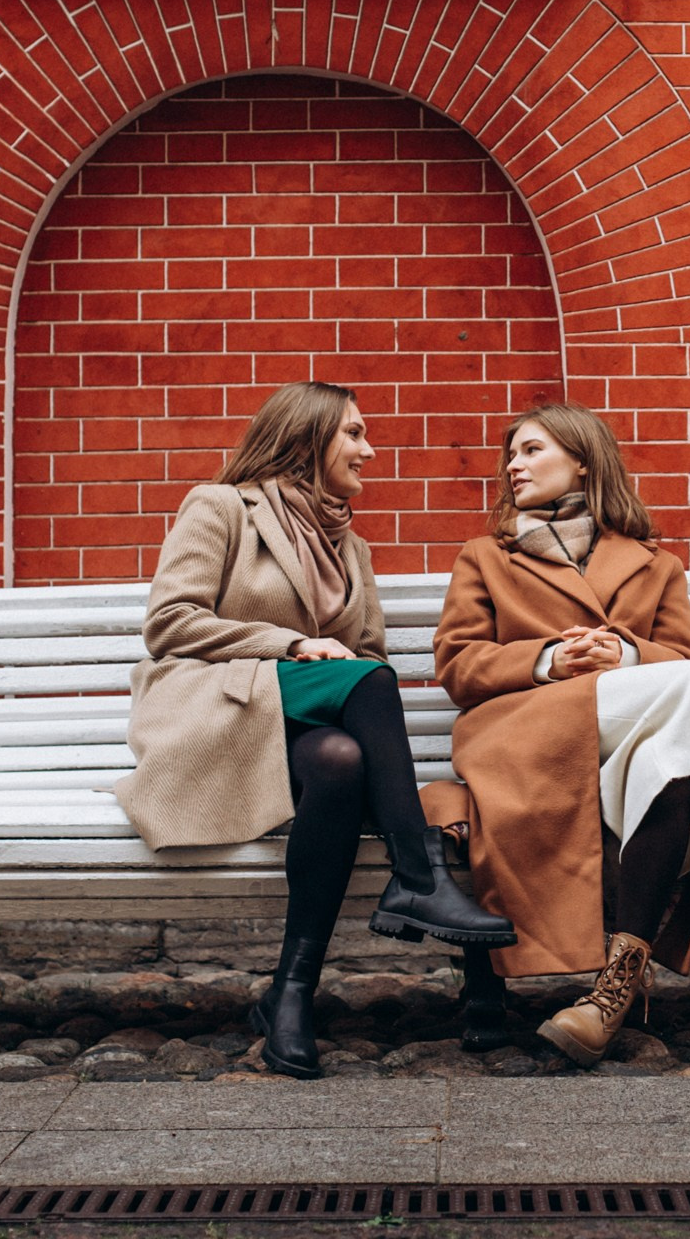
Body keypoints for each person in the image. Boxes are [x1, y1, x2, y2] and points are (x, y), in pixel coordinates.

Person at [429, 401, 690, 1066]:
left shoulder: (656, 565)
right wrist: (549, 659)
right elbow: (458, 665)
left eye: (532, 450)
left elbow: (681, 659)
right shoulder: (486, 557)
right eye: (511, 454)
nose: (514, 464)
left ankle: (611, 994)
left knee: (671, 767)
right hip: (527, 733)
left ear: (581, 459)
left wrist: (624, 657)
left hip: (631, 738)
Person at [114, 381, 514, 1079]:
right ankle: (417, 875)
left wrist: (337, 666)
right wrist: (291, 645)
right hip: (220, 706)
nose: (369, 448)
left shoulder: (348, 544)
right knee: (365, 684)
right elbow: (169, 623)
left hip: (300, 734)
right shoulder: (220, 508)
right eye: (353, 434)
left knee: (338, 759)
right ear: (308, 440)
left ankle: (290, 993)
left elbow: (371, 654)